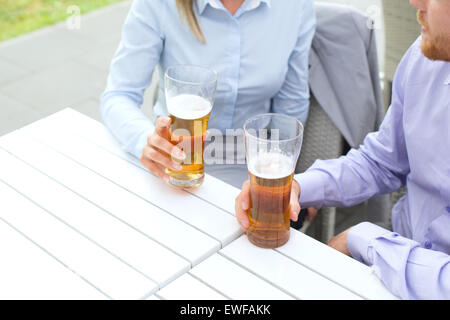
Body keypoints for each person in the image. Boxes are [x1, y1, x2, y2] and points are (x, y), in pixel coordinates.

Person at [236, 0, 450, 300]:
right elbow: (382, 162)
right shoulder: (422, 58)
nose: (414, 2)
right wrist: (297, 186)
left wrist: (370, 243)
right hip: (391, 271)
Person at [100, 0, 316, 191]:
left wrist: (293, 179)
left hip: (250, 170)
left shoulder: (295, 6)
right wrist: (146, 141)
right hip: (172, 165)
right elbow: (119, 94)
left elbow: (291, 106)